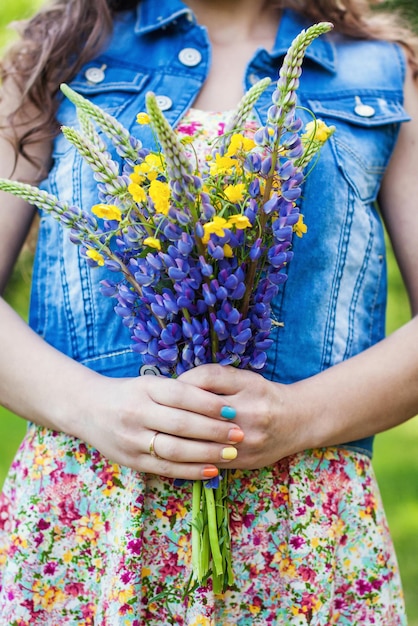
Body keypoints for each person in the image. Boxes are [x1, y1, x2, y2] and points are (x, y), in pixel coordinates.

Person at [0, 0, 418, 623]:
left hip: (302, 530)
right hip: (91, 518)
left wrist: (297, 416)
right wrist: (92, 406)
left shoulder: (384, 72)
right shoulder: (57, 50)